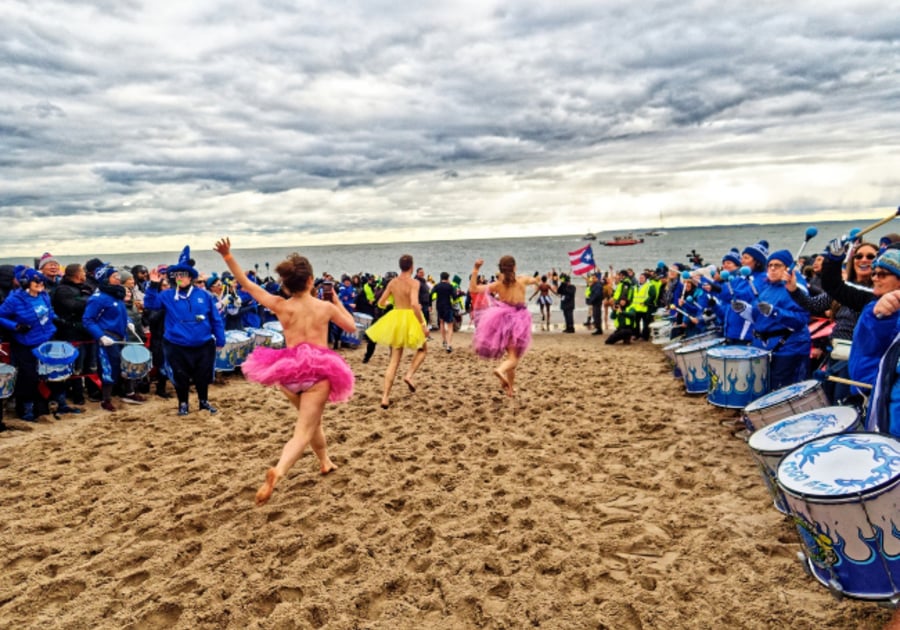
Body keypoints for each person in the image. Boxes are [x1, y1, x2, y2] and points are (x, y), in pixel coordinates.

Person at [214, 238, 356, 506]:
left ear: (287, 284)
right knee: (302, 431)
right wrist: (336, 300)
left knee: (312, 422)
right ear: (312, 281)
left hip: (288, 373)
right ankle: (278, 472)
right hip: (318, 370)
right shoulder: (324, 307)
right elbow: (350, 327)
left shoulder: (282, 305)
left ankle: (325, 461)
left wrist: (228, 257)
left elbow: (248, 285)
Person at [143, 246, 225, 416]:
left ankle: (203, 402)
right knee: (180, 376)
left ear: (191, 277)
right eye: (177, 275)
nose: (179, 278)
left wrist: (220, 338)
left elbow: (215, 318)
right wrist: (152, 285)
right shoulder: (167, 295)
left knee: (203, 375)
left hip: (203, 343)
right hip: (176, 344)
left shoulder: (204, 295)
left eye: (183, 275)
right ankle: (183, 404)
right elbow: (151, 304)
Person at [364, 254, 428, 409]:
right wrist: (422, 323)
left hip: (396, 317)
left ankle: (385, 397)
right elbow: (414, 304)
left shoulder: (393, 282)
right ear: (412, 266)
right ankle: (409, 375)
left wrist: (389, 305)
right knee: (423, 349)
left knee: (394, 360)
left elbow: (380, 302)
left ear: (400, 266)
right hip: (410, 317)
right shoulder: (414, 283)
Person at [469, 256, 539, 396]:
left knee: (510, 356)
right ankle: (500, 371)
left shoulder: (498, 284)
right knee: (513, 358)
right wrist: (538, 279)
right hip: (518, 321)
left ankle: (510, 389)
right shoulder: (522, 280)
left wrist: (476, 269)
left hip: (501, 320)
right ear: (514, 267)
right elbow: (534, 280)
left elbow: (474, 289)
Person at [83, 263, 146, 411]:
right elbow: (88, 320)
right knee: (108, 368)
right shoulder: (98, 298)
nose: (118, 278)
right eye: (114, 276)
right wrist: (100, 336)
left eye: (118, 276)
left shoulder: (116, 295)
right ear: (105, 278)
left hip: (121, 336)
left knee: (124, 364)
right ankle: (106, 400)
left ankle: (128, 393)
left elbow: (121, 314)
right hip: (108, 338)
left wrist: (128, 322)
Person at [751, 250, 811, 391]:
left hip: (789, 347)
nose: (772, 268)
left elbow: (801, 319)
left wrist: (775, 312)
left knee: (783, 389)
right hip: (765, 346)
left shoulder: (796, 289)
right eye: (770, 265)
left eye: (777, 265)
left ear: (788, 268)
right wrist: (745, 311)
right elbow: (759, 316)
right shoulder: (767, 288)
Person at [431, 271, 458, 352]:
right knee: (450, 326)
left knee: (441, 323)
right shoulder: (450, 286)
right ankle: (449, 345)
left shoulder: (437, 286)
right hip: (447, 306)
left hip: (439, 306)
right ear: (448, 278)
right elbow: (454, 297)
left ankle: (444, 341)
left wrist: (429, 305)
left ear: (441, 277)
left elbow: (431, 294)